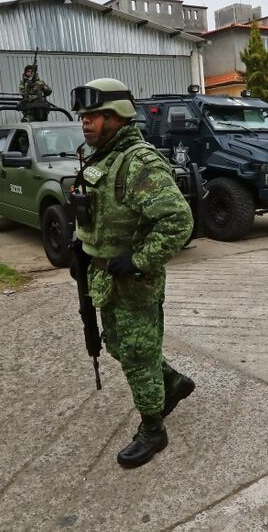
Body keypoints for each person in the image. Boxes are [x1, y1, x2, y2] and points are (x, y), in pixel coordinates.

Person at [71, 78, 195, 468]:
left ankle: (153, 429)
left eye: (95, 116)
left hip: (133, 280)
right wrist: (83, 246)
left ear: (118, 117)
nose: (86, 123)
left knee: (139, 353)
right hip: (103, 274)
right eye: (84, 116)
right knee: (119, 345)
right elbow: (96, 208)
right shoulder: (99, 157)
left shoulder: (139, 163)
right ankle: (173, 383)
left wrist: (139, 260)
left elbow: (177, 221)